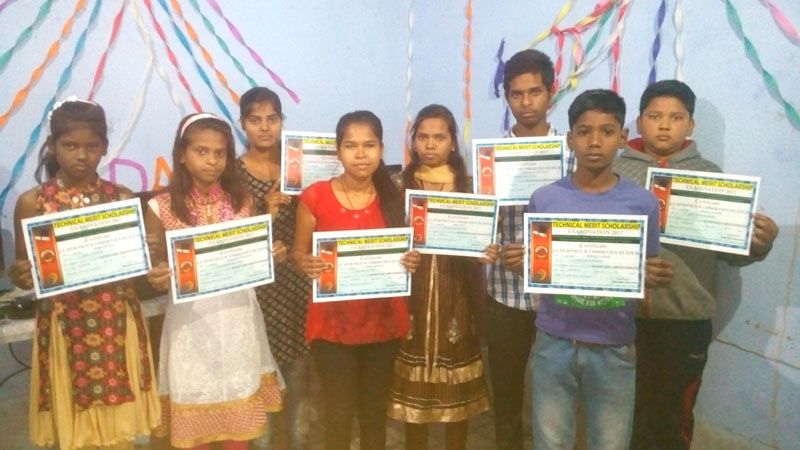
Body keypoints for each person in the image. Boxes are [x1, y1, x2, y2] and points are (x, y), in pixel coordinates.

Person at [503, 89, 674, 449]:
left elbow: (645, 271)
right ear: (570, 139)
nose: (595, 142)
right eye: (584, 132)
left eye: (607, 131)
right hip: (554, 341)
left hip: (614, 345)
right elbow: (539, 269)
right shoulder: (545, 198)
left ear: (622, 138)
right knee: (550, 442)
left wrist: (652, 276)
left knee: (610, 443)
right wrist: (520, 266)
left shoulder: (642, 203)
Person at [614, 80, 779, 450]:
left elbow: (731, 253)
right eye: (654, 116)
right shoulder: (614, 174)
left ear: (690, 125)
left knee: (673, 417)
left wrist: (759, 245)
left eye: (676, 118)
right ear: (639, 122)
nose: (664, 125)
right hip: (621, 317)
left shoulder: (711, 175)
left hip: (685, 322)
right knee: (621, 414)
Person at [8, 98, 160, 450]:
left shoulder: (121, 198)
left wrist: (147, 254)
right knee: (74, 427)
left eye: (91, 147)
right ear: (53, 146)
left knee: (119, 428)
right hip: (65, 321)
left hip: (115, 317)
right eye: (70, 146)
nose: (81, 155)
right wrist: (20, 274)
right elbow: (22, 270)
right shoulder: (33, 202)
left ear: (104, 147)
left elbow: (137, 268)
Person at [145, 113, 284, 449]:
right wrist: (157, 278)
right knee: (196, 407)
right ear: (182, 154)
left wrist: (271, 254)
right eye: (201, 151)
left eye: (220, 153)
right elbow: (153, 270)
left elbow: (250, 256)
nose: (212, 160)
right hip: (190, 322)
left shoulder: (242, 200)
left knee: (239, 408)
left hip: (238, 317)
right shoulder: (160, 206)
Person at [291, 110, 420, 450]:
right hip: (332, 327)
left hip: (383, 323)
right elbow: (297, 253)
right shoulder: (315, 196)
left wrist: (410, 260)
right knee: (338, 415)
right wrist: (305, 262)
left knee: (374, 414)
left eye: (369, 145)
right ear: (338, 151)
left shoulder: (395, 198)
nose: (361, 154)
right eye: (351, 146)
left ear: (381, 149)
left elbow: (406, 252)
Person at [388, 104, 497, 450]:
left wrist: (484, 253)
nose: (430, 144)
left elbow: (480, 240)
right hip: (413, 294)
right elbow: (386, 239)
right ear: (413, 141)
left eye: (439, 137)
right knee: (413, 397)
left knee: (456, 395)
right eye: (423, 137)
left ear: (452, 142)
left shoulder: (470, 188)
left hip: (457, 294)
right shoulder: (397, 185)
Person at [488, 48, 573, 450]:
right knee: (506, 392)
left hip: (559, 295)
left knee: (558, 394)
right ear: (507, 97)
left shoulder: (571, 152)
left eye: (535, 92)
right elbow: (480, 223)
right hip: (505, 293)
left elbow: (582, 218)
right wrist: (491, 245)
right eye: (517, 94)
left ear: (550, 93)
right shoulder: (490, 156)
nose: (526, 102)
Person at [237, 87, 313, 450]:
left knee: (300, 371)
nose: (264, 127)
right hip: (257, 289)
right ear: (243, 124)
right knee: (260, 371)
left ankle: (298, 440)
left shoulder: (299, 166)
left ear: (282, 121)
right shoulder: (233, 173)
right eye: (255, 120)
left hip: (297, 282)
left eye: (272, 119)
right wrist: (261, 211)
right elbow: (230, 235)